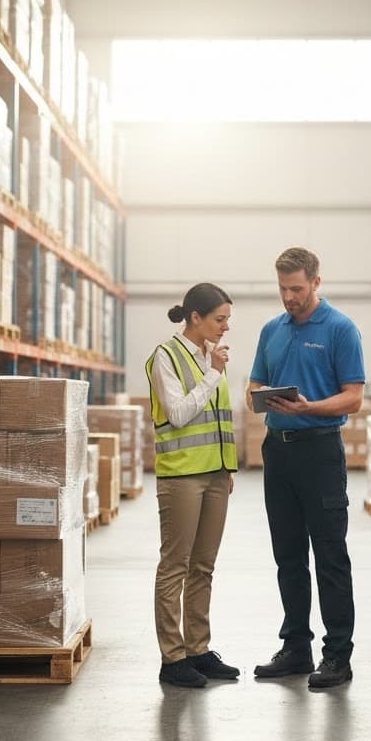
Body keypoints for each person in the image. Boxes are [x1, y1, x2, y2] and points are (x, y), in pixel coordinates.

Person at [247, 247, 365, 689]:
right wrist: (259, 398)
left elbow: (354, 397)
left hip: (320, 451)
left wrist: (310, 407)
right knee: (288, 556)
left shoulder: (340, 329)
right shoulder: (271, 330)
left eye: (296, 288)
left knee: (330, 556)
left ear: (316, 282)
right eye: (282, 289)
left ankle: (337, 656)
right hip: (277, 453)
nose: (289, 297)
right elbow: (254, 384)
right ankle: (296, 648)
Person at [145, 283, 239, 688]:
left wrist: (227, 467)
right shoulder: (165, 357)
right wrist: (213, 373)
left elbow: (218, 416)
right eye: (220, 319)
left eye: (228, 319)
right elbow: (180, 414)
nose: (225, 327)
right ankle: (173, 658)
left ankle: (198, 649)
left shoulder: (210, 355)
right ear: (195, 317)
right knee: (175, 566)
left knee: (203, 566)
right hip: (181, 476)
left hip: (216, 474)